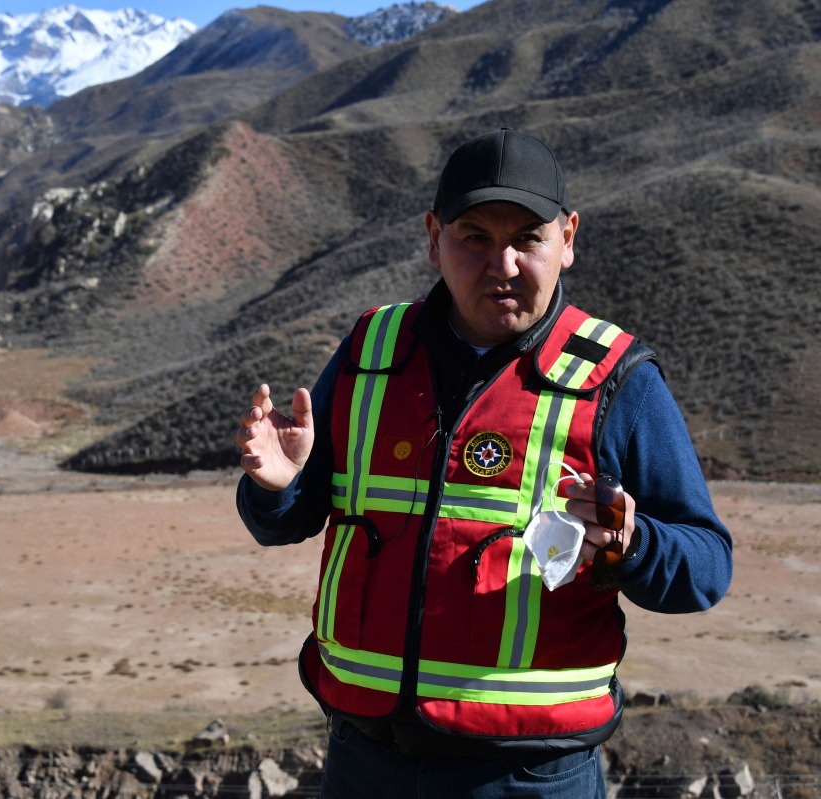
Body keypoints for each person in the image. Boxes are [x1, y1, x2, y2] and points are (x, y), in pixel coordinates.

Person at [233, 128, 732, 798]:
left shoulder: (617, 378)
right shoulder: (372, 351)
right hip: (366, 763)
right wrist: (275, 489)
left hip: (529, 777)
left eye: (528, 237)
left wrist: (632, 544)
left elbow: (706, 566)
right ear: (434, 236)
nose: (502, 263)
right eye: (474, 237)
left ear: (569, 238)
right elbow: (284, 520)